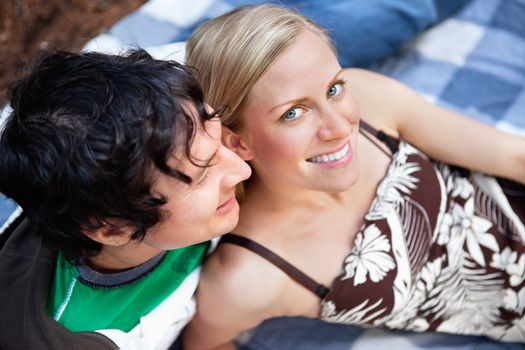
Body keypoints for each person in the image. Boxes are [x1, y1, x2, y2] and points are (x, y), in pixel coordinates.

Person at [183, 4, 525, 349]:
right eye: (293, 113)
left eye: (333, 89)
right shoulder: (251, 275)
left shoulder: (369, 100)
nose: (339, 127)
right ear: (237, 142)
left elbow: (514, 157)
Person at [0, 49, 251, 350]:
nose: (242, 169)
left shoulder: (169, 112)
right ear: (114, 229)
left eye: (219, 137)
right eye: (202, 175)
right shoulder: (73, 334)